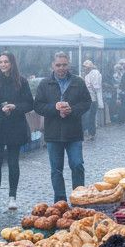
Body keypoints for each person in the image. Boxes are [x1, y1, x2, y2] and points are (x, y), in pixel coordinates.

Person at [34, 52, 91, 202]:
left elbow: (86, 103)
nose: (61, 68)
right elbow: (38, 106)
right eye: (58, 65)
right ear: (53, 65)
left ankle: (79, 198)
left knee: (77, 165)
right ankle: (60, 202)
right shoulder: (45, 84)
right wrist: (54, 108)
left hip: (73, 132)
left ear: (69, 64)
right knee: (56, 170)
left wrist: (72, 110)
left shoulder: (78, 82)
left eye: (64, 65)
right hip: (53, 133)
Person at [0, 52, 32, 212]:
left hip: (14, 127)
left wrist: (15, 107)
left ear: (12, 63)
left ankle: (12, 197)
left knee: (12, 163)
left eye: (6, 61)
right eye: (0, 62)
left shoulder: (21, 82)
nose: (3, 64)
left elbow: (29, 103)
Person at [82, 60, 103, 140]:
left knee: (89, 117)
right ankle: (90, 133)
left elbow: (96, 87)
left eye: (85, 67)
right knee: (89, 117)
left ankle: (91, 133)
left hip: (92, 99)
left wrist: (89, 87)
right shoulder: (88, 74)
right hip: (89, 99)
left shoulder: (94, 73)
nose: (84, 69)